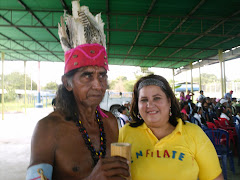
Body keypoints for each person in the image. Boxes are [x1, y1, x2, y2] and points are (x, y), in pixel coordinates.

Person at [26, 1, 129, 180]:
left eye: (102, 75)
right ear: (68, 83)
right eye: (87, 76)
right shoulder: (48, 128)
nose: (98, 85)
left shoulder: (111, 122)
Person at [118, 74, 223, 180]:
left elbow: (214, 177)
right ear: (137, 105)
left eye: (157, 98)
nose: (150, 104)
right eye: (144, 100)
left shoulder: (194, 133)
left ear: (169, 101)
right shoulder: (125, 133)